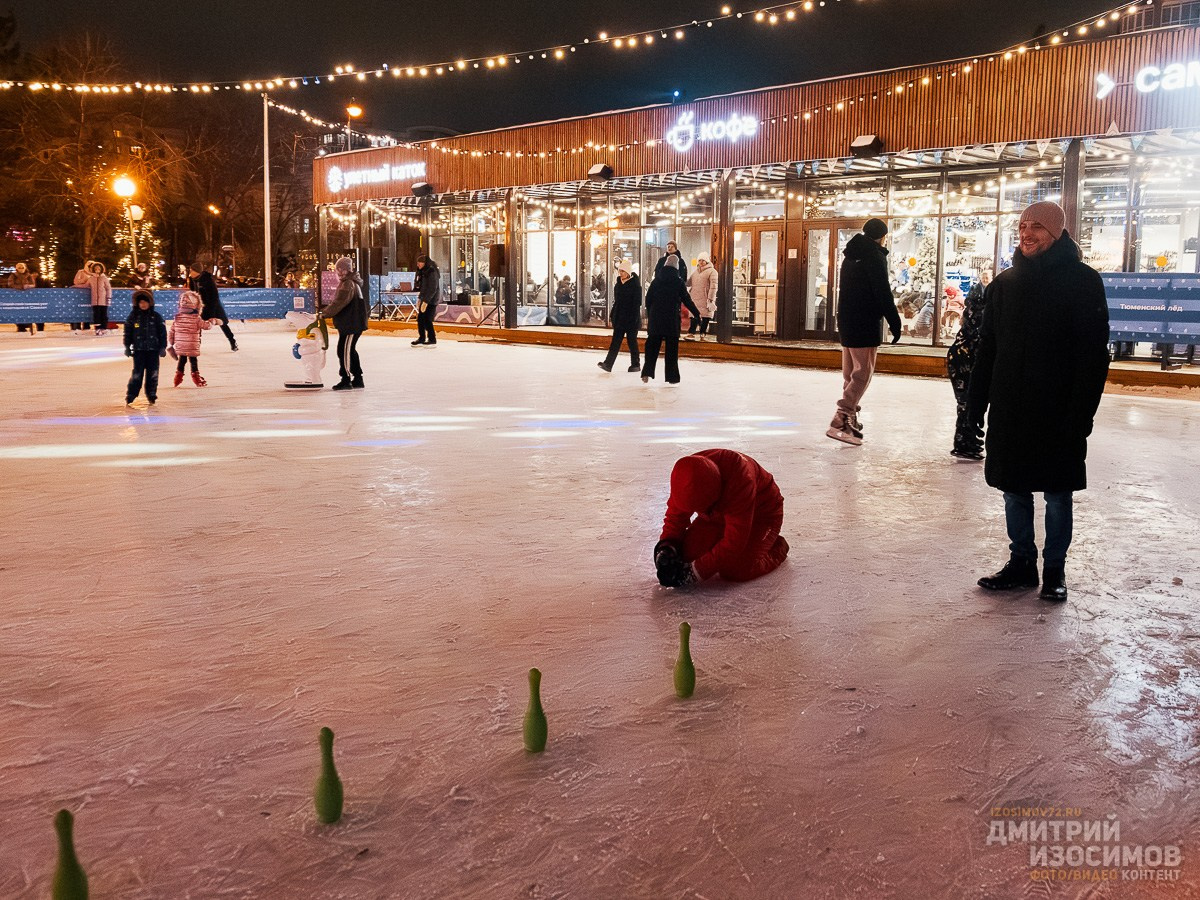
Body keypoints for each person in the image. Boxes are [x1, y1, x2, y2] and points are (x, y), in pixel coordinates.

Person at [969, 200, 1110, 603]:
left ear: (1056, 232)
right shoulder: (1005, 284)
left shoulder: (1084, 282)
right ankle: (1021, 563)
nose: (1026, 233)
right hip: (1011, 407)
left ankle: (1054, 570)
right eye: (1023, 226)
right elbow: (988, 350)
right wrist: (974, 407)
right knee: (1013, 489)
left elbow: (1093, 356)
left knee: (1056, 492)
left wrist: (1081, 414)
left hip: (1059, 410)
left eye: (1036, 227)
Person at [654, 449, 789, 587]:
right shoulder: (685, 475)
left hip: (762, 514)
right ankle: (741, 540)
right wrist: (667, 547)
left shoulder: (740, 478)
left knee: (736, 569)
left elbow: (735, 541)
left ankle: (776, 546)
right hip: (718, 516)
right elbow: (675, 517)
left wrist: (694, 573)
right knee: (685, 555)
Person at [825, 218, 902, 446]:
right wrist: (894, 322)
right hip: (865, 321)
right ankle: (842, 416)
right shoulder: (874, 257)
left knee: (850, 373)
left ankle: (850, 419)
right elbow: (882, 292)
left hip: (847, 319)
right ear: (882, 236)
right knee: (863, 373)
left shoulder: (850, 257)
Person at [946, 270, 991, 461]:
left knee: (967, 402)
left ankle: (967, 439)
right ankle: (964, 441)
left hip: (961, 358)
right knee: (967, 402)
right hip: (963, 359)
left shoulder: (975, 313)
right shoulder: (980, 317)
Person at [641, 256, 700, 385]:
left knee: (652, 347)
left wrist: (650, 312)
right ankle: (672, 377)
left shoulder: (656, 281)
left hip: (656, 319)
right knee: (672, 349)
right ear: (676, 267)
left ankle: (647, 372)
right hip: (671, 319)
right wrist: (696, 313)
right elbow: (687, 300)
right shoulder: (678, 282)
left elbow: (648, 298)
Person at [324, 256, 369, 390]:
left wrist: (324, 313)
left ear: (347, 270)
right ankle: (358, 378)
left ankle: (346, 378)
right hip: (350, 323)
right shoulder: (349, 282)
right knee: (348, 350)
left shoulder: (348, 284)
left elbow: (339, 303)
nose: (338, 273)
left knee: (344, 351)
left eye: (341, 270)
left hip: (351, 324)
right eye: (337, 270)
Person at [123, 288, 167, 406]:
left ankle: (151, 393)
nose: (143, 305)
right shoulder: (133, 317)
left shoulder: (156, 317)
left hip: (153, 350)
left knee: (153, 373)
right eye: (140, 302)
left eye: (145, 302)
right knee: (137, 374)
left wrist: (163, 347)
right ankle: (131, 394)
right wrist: (127, 346)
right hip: (139, 351)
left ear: (150, 303)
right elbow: (128, 332)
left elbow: (162, 333)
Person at [597, 259, 641, 373]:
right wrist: (613, 315)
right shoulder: (618, 284)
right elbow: (617, 302)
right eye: (619, 271)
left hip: (631, 318)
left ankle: (635, 364)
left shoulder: (635, 285)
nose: (620, 273)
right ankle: (608, 364)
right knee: (615, 342)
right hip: (620, 318)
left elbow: (637, 303)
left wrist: (634, 318)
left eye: (623, 271)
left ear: (628, 272)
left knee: (632, 342)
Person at [170, 290, 218, 387]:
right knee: (193, 361)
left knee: (182, 360)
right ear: (196, 305)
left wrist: (170, 343)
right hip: (192, 345)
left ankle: (177, 378)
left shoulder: (177, 318)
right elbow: (206, 326)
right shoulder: (196, 318)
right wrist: (212, 322)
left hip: (181, 345)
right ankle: (196, 378)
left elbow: (172, 331)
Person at [187, 262, 238, 351]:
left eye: (191, 270)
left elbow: (214, 296)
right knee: (197, 325)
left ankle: (233, 342)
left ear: (197, 271)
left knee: (223, 324)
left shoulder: (207, 280)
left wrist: (212, 312)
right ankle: (196, 344)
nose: (190, 272)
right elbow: (193, 293)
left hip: (213, 306)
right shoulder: (193, 280)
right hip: (201, 306)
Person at [73, 260, 112, 334]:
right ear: (93, 269)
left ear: (101, 269)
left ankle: (103, 328)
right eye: (96, 268)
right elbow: (85, 285)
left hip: (103, 300)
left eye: (98, 269)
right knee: (96, 315)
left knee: (103, 314)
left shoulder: (104, 278)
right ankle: (97, 328)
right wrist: (75, 286)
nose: (97, 270)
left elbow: (108, 288)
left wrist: (108, 298)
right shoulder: (91, 278)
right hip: (95, 301)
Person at [685, 251, 717, 341]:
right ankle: (691, 332)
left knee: (705, 316)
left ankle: (703, 333)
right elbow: (689, 282)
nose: (701, 262)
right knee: (694, 315)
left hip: (706, 298)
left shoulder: (712, 272)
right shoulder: (695, 272)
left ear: (707, 261)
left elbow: (713, 286)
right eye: (699, 260)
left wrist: (711, 298)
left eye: (703, 260)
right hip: (695, 297)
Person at [413, 254, 440, 346]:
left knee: (428, 319)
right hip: (425, 298)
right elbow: (423, 287)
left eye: (419, 263)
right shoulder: (423, 272)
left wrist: (426, 301)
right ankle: (421, 337)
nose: (418, 265)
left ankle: (432, 338)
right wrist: (420, 298)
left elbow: (433, 288)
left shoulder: (432, 272)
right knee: (420, 319)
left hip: (431, 300)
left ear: (424, 263)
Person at [9, 263, 42, 334]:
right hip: (17, 297)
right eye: (19, 267)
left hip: (28, 297)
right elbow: (10, 284)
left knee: (28, 311)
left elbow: (33, 284)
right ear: (17, 268)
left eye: (22, 267)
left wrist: (28, 286)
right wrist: (21, 287)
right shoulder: (13, 275)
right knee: (18, 311)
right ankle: (20, 327)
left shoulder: (28, 275)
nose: (21, 269)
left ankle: (29, 325)